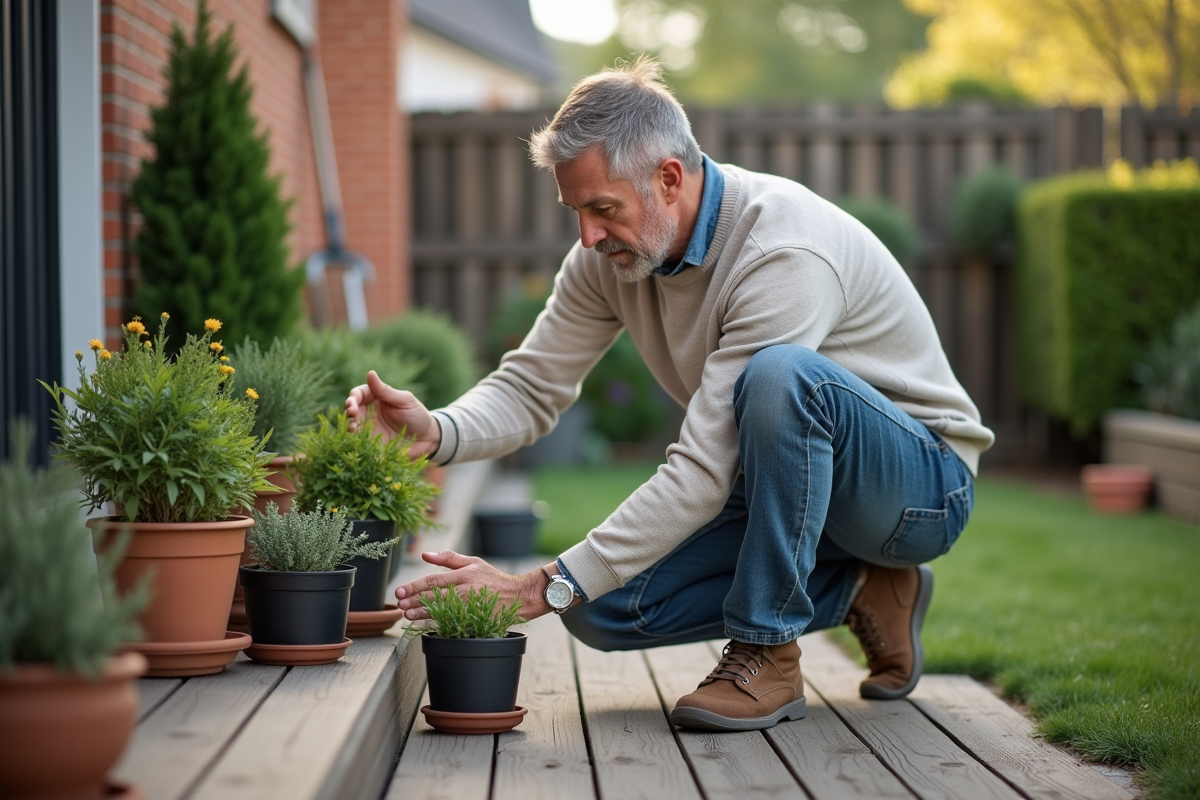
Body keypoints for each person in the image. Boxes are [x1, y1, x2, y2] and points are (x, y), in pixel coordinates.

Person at [346, 56, 993, 732]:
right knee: (595, 600)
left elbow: (704, 471)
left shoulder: (780, 250)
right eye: (577, 212)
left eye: (603, 209)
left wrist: (535, 586)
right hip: (796, 488)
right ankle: (862, 587)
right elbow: (533, 383)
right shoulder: (610, 258)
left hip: (918, 490)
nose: (588, 235)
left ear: (670, 178)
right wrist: (438, 430)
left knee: (779, 377)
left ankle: (767, 647)